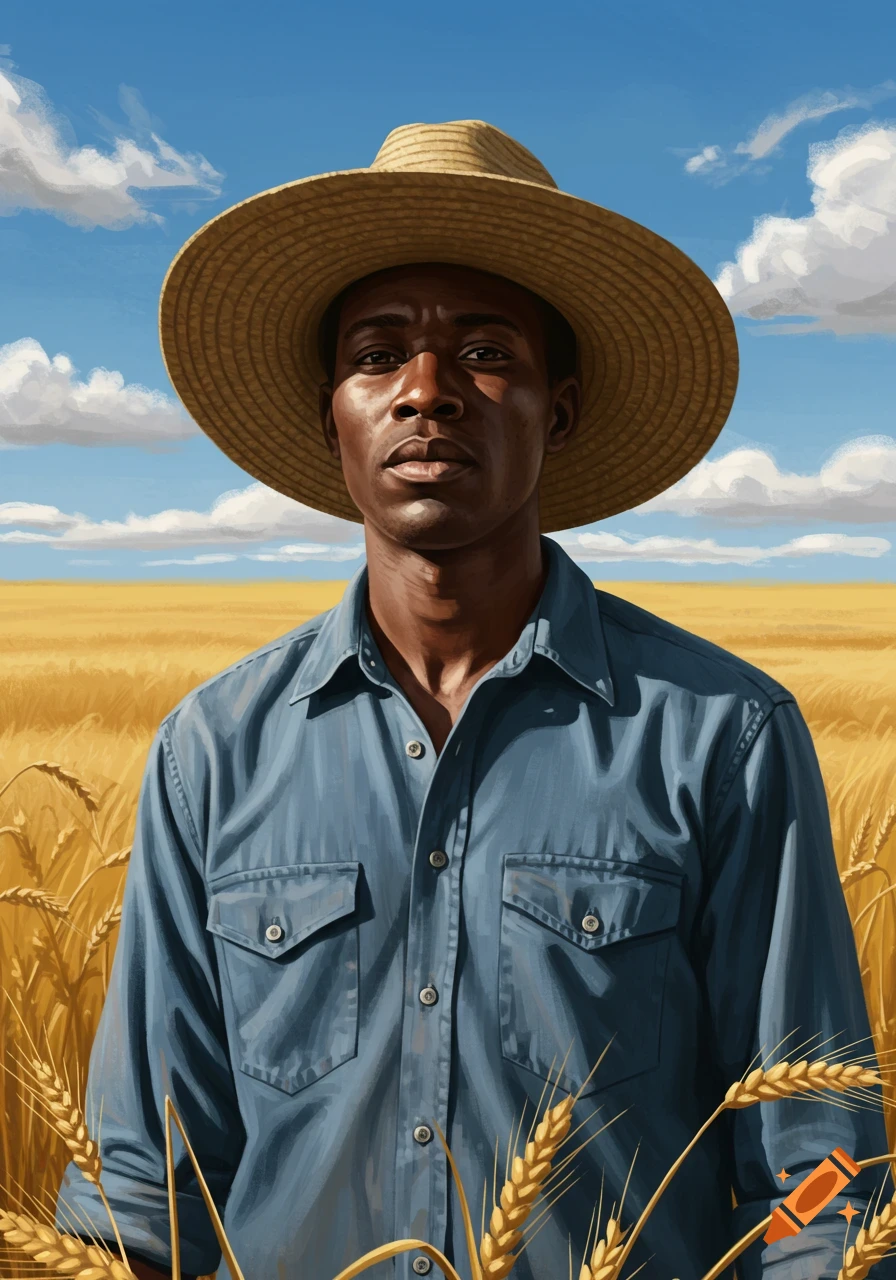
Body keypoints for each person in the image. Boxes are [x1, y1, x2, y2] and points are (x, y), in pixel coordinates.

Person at [56, 119, 893, 1280]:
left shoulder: (722, 734)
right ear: (330, 418)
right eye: (377, 352)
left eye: (485, 351)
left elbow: (824, 1167)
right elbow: (142, 1187)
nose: (427, 391)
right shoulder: (213, 752)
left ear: (557, 411)